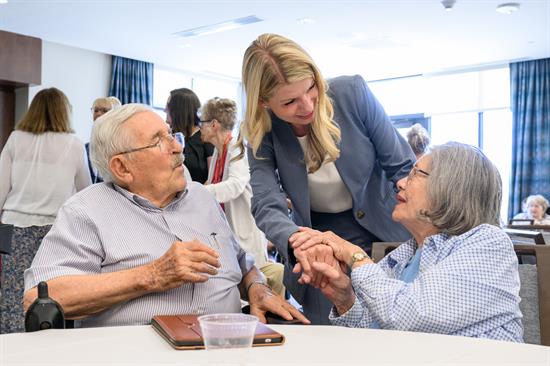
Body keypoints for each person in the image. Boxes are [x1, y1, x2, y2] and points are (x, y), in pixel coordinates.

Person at [23, 104, 308, 328]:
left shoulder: (202, 198)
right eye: (159, 140)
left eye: (172, 134)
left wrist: (257, 288)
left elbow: (244, 266)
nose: (178, 146)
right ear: (122, 167)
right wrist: (152, 275)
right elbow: (40, 299)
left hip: (227, 347)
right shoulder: (86, 211)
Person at [240, 33, 415, 324]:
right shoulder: (262, 133)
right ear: (263, 102)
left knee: (395, 332)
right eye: (290, 102)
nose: (307, 105)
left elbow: (402, 167)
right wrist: (297, 240)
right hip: (317, 249)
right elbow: (266, 204)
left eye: (311, 88)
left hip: (386, 235)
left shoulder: (351, 93)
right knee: (333, 338)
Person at [293, 142, 523, 342]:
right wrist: (345, 299)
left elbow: (408, 316)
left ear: (451, 187)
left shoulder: (488, 243)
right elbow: (373, 337)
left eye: (415, 174)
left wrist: (355, 255)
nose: (401, 183)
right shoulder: (405, 254)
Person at [0, 87, 91, 333]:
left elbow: (1, 188)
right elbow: (86, 192)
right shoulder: (73, 144)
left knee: (14, 295)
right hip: (56, 229)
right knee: (55, 292)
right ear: (64, 111)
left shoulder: (16, 138)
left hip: (14, 228)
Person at [199, 97, 285, 297]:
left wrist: (199, 191)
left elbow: (234, 186)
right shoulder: (218, 151)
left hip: (245, 231)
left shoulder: (237, 149)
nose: (200, 127)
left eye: (202, 122)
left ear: (214, 124)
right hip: (227, 232)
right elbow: (213, 185)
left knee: (256, 283)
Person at [166, 88, 214, 183]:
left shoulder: (207, 139)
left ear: (179, 112)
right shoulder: (170, 137)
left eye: (168, 108)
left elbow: (212, 179)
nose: (165, 110)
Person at [86, 96, 122, 183]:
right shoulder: (86, 147)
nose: (98, 114)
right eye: (96, 110)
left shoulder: (120, 144)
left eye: (104, 111)